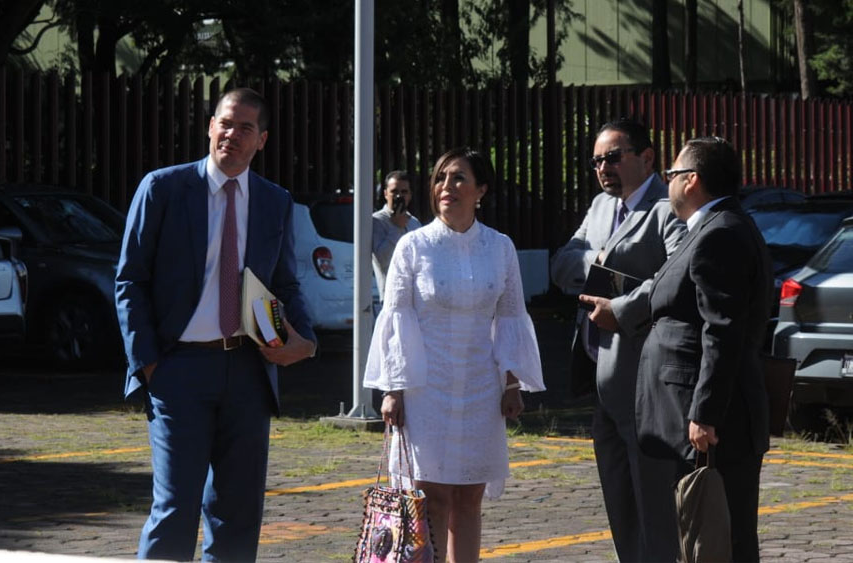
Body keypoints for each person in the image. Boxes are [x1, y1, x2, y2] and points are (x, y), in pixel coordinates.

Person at [115, 87, 317, 561]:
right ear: (210, 127)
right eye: (225, 123)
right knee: (175, 508)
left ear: (261, 139)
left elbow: (285, 283)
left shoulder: (274, 200)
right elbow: (129, 279)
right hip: (177, 369)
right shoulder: (164, 188)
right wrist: (147, 363)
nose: (233, 134)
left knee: (239, 513)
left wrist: (304, 342)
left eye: (246, 127)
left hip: (248, 371)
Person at [364, 147, 545, 562]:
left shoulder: (500, 248)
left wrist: (512, 381)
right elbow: (396, 319)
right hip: (426, 387)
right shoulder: (413, 246)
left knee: (469, 498)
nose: (447, 187)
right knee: (431, 500)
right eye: (441, 178)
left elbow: (511, 316)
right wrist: (394, 389)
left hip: (482, 387)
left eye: (459, 178)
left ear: (481, 189)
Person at [635, 136, 773, 562]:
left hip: (716, 422)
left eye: (672, 173)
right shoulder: (719, 228)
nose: (668, 182)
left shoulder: (721, 234)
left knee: (721, 539)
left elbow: (723, 329)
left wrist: (706, 412)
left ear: (691, 180)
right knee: (707, 536)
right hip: (703, 416)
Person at [555, 118, 687, 562]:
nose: (602, 168)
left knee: (654, 506)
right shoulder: (597, 208)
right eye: (596, 161)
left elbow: (675, 280)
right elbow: (563, 263)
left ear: (647, 157)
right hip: (600, 380)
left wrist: (622, 303)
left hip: (645, 380)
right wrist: (597, 261)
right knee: (618, 502)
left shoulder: (666, 208)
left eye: (612, 157)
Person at [372, 170, 422, 301]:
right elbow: (382, 260)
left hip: (416, 298)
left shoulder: (414, 223)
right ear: (385, 194)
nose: (399, 196)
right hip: (391, 298)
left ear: (410, 195)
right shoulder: (377, 221)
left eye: (404, 192)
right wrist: (396, 228)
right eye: (394, 191)